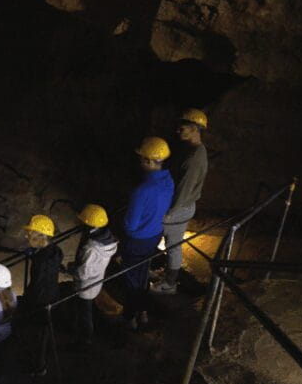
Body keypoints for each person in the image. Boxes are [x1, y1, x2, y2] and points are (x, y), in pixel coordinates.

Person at [151, 109, 209, 295]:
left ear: (195, 129)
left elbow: (183, 190)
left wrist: (167, 213)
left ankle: (170, 284)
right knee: (171, 245)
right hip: (179, 205)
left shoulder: (193, 158)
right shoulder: (191, 149)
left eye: (182, 127)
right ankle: (164, 276)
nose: (178, 130)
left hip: (179, 207)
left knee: (173, 247)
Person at [121, 137, 174, 329]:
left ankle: (129, 317)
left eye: (142, 158)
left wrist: (125, 225)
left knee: (131, 279)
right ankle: (142, 313)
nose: (140, 161)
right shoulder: (168, 181)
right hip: (154, 235)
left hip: (137, 240)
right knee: (142, 274)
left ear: (150, 161)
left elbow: (130, 224)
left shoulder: (142, 190)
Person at [68, 204, 118, 348]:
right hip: (96, 281)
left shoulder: (91, 248)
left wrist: (70, 270)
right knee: (86, 309)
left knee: (85, 313)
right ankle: (83, 334)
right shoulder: (108, 240)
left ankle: (84, 340)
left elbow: (83, 272)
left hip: (85, 287)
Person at [21, 214, 63, 376]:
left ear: (42, 236)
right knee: (42, 333)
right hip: (51, 295)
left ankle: (39, 367)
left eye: (31, 233)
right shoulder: (54, 251)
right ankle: (40, 363)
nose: (27, 235)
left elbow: (38, 286)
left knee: (39, 336)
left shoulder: (41, 263)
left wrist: (28, 300)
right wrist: (34, 252)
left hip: (41, 301)